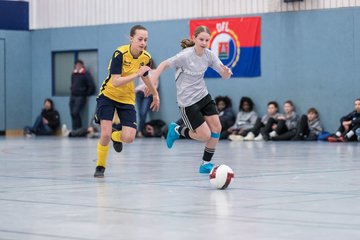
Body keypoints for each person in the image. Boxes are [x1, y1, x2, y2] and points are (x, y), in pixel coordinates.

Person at [151, 25, 233, 174]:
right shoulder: (185, 56)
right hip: (187, 102)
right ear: (194, 38)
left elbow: (224, 75)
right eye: (201, 39)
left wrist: (227, 72)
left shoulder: (209, 55)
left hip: (203, 96)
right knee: (204, 135)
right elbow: (163, 64)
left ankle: (205, 164)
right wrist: (153, 84)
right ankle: (176, 130)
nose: (204, 42)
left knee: (217, 129)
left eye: (207, 40)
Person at [93, 25, 160, 178]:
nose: (143, 42)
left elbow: (145, 76)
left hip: (127, 98)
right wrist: (136, 74)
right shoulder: (120, 54)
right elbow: (115, 81)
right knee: (104, 133)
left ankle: (115, 136)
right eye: (140, 39)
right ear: (131, 38)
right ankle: (100, 166)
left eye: (145, 40)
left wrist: (155, 94)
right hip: (108, 95)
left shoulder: (146, 57)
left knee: (129, 137)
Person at [70, 59, 96, 130]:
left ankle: (78, 129)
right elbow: (72, 83)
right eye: (76, 65)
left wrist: (87, 94)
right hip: (73, 95)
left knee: (75, 112)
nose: (77, 66)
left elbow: (91, 85)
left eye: (79, 65)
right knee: (72, 113)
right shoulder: (73, 74)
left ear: (82, 65)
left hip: (81, 96)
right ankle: (74, 130)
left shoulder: (86, 74)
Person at [135, 58, 158, 137]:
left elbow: (155, 85)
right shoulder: (142, 71)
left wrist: (153, 92)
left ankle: (140, 131)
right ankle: (140, 131)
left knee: (143, 112)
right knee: (139, 113)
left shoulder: (155, 72)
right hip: (139, 93)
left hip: (148, 94)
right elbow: (140, 83)